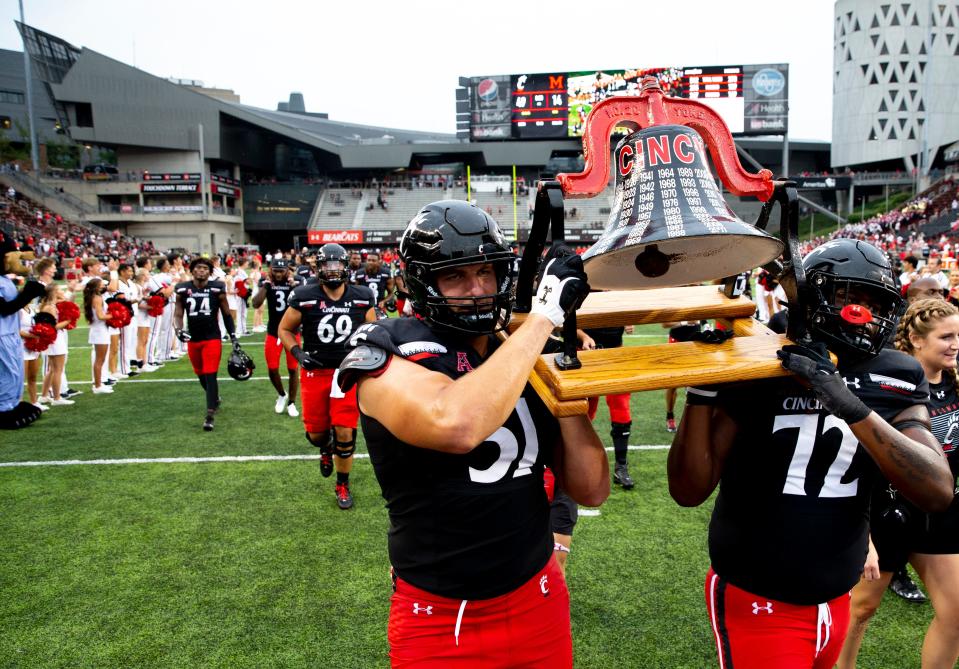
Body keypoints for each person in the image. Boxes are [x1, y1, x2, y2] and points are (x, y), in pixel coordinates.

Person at [335, 200, 609, 666]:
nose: (478, 290)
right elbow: (455, 423)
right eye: (455, 277)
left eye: (486, 272)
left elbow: (591, 487)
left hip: (537, 595)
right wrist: (542, 318)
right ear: (424, 283)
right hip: (440, 617)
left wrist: (552, 369)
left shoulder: (517, 348)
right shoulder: (386, 345)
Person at [668, 238, 955, 669]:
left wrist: (848, 404)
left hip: (836, 592)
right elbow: (690, 490)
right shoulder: (761, 361)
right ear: (813, 296)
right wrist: (703, 388)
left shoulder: (896, 371)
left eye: (874, 300)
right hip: (759, 591)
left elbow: (936, 488)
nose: (865, 312)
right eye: (851, 296)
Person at [837, 298, 959, 669]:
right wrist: (866, 539)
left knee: (955, 615)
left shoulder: (954, 383)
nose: (956, 344)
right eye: (947, 336)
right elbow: (858, 461)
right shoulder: (889, 385)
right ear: (916, 340)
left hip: (940, 514)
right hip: (888, 512)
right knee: (861, 609)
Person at [278, 243, 376, 510]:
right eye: (327, 266)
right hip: (315, 371)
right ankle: (324, 447)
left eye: (337, 265)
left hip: (346, 372)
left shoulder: (362, 296)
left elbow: (372, 332)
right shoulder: (304, 295)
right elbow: (285, 329)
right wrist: (298, 354)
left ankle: (342, 483)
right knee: (317, 434)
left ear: (346, 266)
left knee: (346, 431)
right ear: (318, 268)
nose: (333, 271)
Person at [173, 257, 237, 431]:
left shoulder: (217, 288)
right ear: (192, 270)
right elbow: (178, 314)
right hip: (193, 338)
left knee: (210, 374)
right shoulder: (183, 289)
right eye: (198, 268)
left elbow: (226, 314)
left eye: (205, 268)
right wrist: (178, 330)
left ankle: (209, 415)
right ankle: (214, 398)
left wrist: (233, 337)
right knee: (200, 374)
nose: (201, 271)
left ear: (210, 272)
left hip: (212, 338)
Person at [252, 258, 300, 417]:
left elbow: (303, 303)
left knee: (293, 369)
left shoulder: (297, 281)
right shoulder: (266, 282)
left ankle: (292, 403)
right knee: (272, 369)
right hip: (274, 331)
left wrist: (295, 287)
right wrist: (266, 285)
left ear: (288, 270)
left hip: (292, 332)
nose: (278, 274)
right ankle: (281, 394)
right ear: (270, 270)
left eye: (281, 271)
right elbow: (255, 303)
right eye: (275, 270)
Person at [83, 278, 114, 395]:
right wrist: (115, 315)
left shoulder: (94, 297)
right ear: (97, 286)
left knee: (100, 360)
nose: (104, 286)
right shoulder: (97, 298)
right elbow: (101, 316)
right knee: (100, 360)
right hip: (100, 331)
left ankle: (99, 384)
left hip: (99, 330)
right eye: (102, 284)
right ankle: (97, 385)